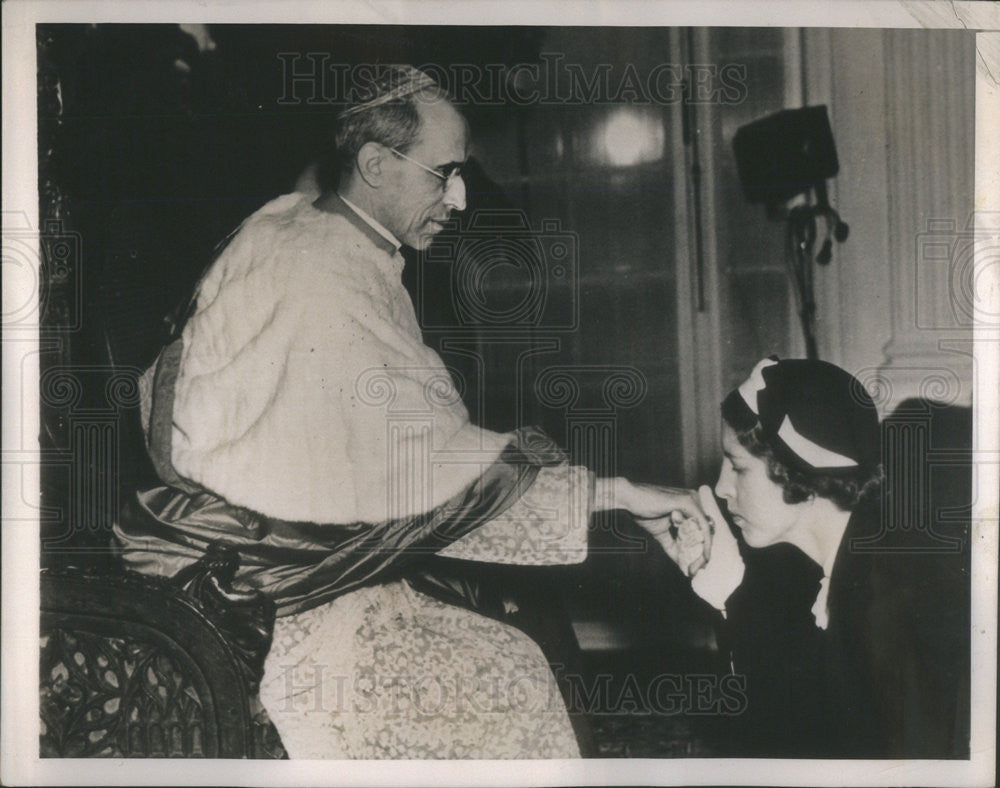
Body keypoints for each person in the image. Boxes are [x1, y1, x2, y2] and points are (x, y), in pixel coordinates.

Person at [113, 64, 707, 759]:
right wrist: (622, 495)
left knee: (511, 644)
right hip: (266, 611)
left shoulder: (303, 223)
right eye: (442, 173)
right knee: (510, 677)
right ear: (373, 163)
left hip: (277, 568)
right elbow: (444, 484)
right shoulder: (326, 281)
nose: (458, 198)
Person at [653, 356, 970, 758]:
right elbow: (788, 735)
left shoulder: (890, 603)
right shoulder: (840, 568)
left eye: (738, 467)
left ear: (797, 471)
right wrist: (725, 584)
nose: (721, 487)